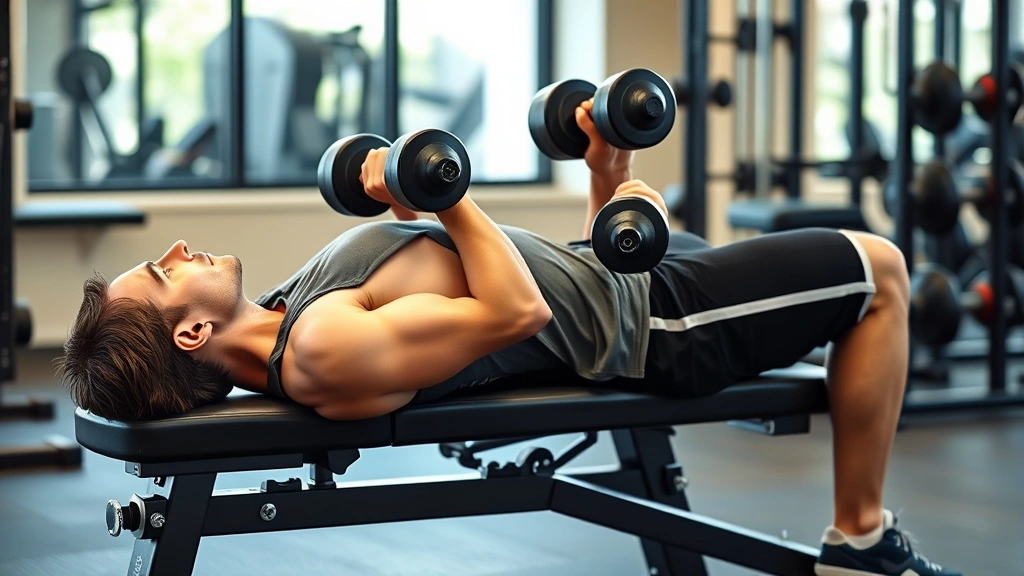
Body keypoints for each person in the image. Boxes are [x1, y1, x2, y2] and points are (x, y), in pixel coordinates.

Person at [58, 101, 959, 576]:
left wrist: (597, 179)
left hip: (615, 273)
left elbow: (437, 264)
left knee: (647, 203)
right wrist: (446, 189)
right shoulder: (323, 350)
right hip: (659, 322)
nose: (177, 250)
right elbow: (516, 314)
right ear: (195, 333)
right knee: (878, 269)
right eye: (165, 272)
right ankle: (859, 539)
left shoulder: (296, 307)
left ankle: (619, 180)